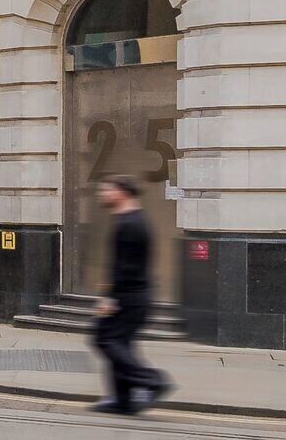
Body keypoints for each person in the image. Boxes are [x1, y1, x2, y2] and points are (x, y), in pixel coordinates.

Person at [92, 177, 171, 415]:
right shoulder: (131, 220)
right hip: (133, 294)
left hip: (129, 296)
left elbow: (126, 267)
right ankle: (123, 400)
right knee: (119, 342)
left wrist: (111, 297)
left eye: (107, 191)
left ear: (122, 193)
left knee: (106, 340)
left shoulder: (131, 224)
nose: (102, 195)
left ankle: (153, 381)